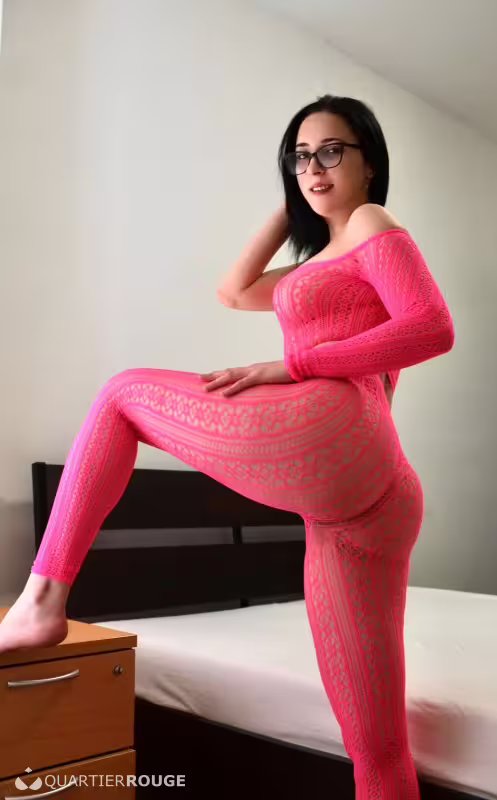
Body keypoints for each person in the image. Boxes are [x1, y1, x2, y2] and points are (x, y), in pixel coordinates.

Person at [0, 94, 454, 799]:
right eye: (300, 157)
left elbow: (431, 327)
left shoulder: (371, 222)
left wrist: (294, 364)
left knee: (121, 395)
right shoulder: (324, 258)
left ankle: (41, 600)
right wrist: (291, 203)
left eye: (332, 151)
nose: (315, 167)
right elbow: (234, 290)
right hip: (369, 499)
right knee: (377, 747)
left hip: (341, 425)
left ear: (370, 163)